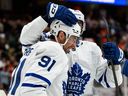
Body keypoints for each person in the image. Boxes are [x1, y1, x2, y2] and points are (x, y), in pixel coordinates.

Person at [18, 4, 123, 96]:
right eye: (70, 22)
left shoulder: (91, 49)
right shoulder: (46, 42)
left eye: (78, 23)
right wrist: (46, 18)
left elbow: (111, 82)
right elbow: (25, 39)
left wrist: (114, 63)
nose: (75, 26)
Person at [8, 2, 81, 96]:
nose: (74, 45)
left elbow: (25, 39)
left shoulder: (39, 46)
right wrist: (47, 17)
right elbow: (31, 90)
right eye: (74, 39)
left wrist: (46, 17)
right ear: (62, 35)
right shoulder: (55, 50)